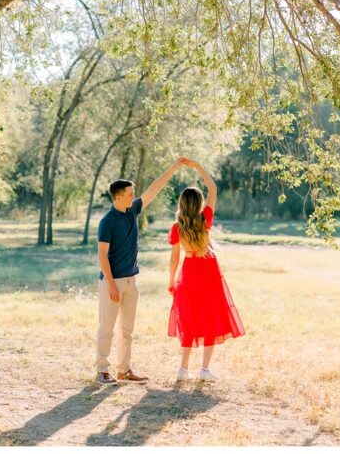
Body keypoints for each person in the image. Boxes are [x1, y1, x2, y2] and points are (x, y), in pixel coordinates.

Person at [96, 159, 186, 385]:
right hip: (112, 281)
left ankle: (124, 370)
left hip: (131, 281)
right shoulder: (107, 222)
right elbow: (102, 256)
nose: (133, 195)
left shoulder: (132, 210)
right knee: (107, 328)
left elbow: (153, 189)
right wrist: (111, 284)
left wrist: (174, 167)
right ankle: (102, 371)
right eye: (129, 193)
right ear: (118, 196)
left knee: (127, 330)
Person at [168, 158, 245, 381]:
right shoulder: (205, 219)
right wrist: (198, 167)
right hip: (208, 272)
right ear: (199, 203)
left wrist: (171, 280)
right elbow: (213, 187)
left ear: (181, 204)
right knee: (210, 318)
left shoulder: (177, 226)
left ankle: (183, 370)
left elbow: (174, 258)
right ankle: (204, 369)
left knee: (190, 320)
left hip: (189, 272)